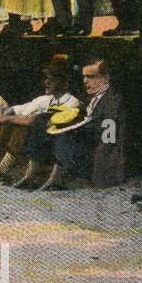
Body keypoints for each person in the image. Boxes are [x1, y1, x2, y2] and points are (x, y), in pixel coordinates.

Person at [27, 58, 125, 191]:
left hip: (94, 150)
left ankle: (56, 179)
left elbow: (109, 139)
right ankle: (34, 173)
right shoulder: (90, 96)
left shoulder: (112, 101)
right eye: (84, 77)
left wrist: (102, 172)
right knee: (42, 119)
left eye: (91, 77)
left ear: (105, 78)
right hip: (81, 142)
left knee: (64, 134)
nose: (85, 81)